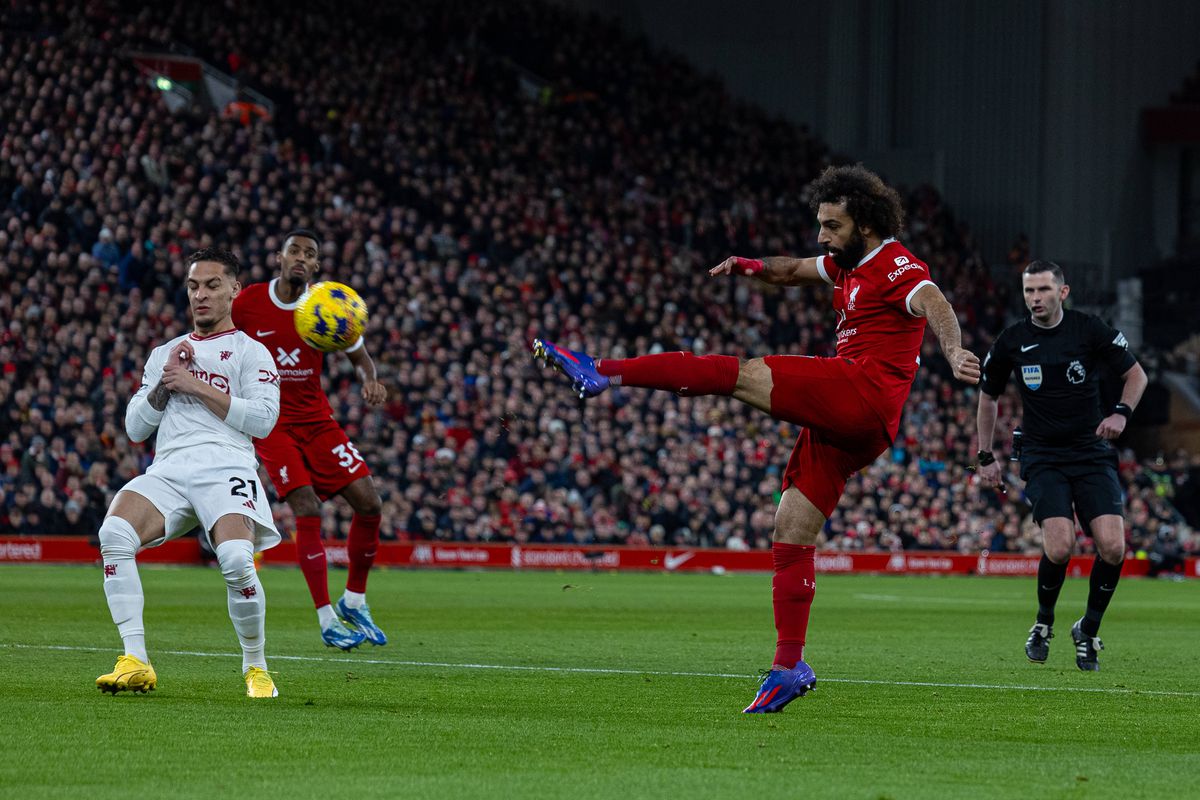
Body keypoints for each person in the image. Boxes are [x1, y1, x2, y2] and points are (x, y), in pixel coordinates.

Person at [533, 165, 981, 712]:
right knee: (791, 526)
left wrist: (953, 350)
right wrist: (750, 265)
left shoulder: (896, 264)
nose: (822, 235)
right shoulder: (846, 263)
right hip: (856, 427)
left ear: (864, 224)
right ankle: (789, 666)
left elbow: (935, 302)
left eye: (832, 225)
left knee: (738, 373)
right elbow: (792, 270)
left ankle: (602, 369)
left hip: (862, 393)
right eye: (820, 223)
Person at [96, 248, 282, 698]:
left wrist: (194, 384)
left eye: (213, 285)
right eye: (194, 286)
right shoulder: (164, 352)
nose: (201, 295)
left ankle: (255, 667)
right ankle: (135, 659)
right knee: (114, 533)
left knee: (238, 561)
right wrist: (165, 380)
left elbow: (263, 421)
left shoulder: (251, 353)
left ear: (234, 289)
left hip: (227, 464)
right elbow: (135, 428)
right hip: (171, 467)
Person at [976, 260, 1147, 671]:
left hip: (1091, 452)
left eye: (1043, 290)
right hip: (1043, 454)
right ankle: (1043, 623)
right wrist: (985, 455)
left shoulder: (1089, 330)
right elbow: (988, 396)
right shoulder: (1012, 340)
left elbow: (1136, 375)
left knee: (1113, 546)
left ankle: (1087, 630)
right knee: (1059, 545)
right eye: (1029, 291)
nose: (1035, 298)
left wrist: (1121, 413)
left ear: (1062, 293)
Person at [232, 229, 389, 650]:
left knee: (370, 504)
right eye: (294, 251)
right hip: (272, 421)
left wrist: (370, 380)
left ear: (317, 266)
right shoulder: (248, 302)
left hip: (318, 419)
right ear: (279, 257)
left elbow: (359, 356)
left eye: (310, 254)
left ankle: (354, 600)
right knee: (307, 506)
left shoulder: (325, 305)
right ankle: (326, 619)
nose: (301, 258)